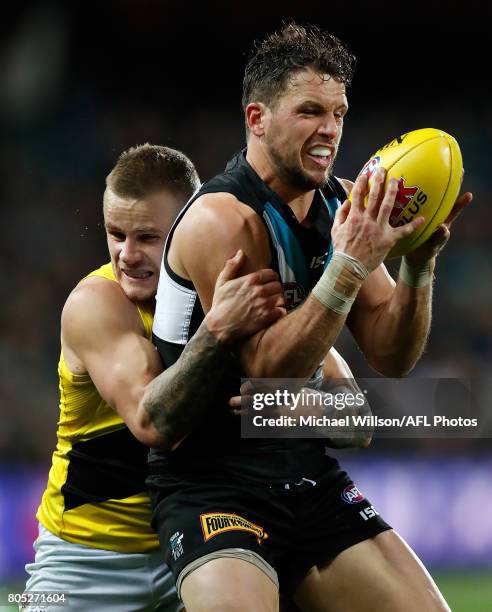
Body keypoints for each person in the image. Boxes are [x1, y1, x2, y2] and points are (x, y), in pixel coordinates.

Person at [147, 24, 473, 612]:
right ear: (257, 119)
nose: (330, 130)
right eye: (310, 111)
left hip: (304, 471)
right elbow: (272, 375)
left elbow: (391, 356)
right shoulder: (223, 220)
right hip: (214, 483)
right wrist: (348, 263)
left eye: (339, 112)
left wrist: (419, 267)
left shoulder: (338, 207)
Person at [23, 143, 287, 612]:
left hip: (197, 551)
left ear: (189, 228)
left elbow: (353, 413)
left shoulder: (235, 289)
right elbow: (154, 424)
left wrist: (288, 406)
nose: (127, 254)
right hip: (82, 564)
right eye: (115, 233)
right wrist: (219, 330)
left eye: (147, 237)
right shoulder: (95, 304)